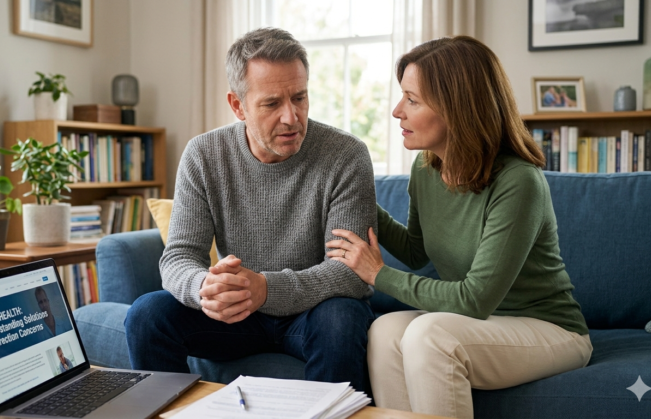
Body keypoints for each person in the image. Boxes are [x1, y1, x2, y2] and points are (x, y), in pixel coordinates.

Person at [326, 36, 592, 419]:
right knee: (384, 332)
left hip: (549, 329)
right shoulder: (426, 168)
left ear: (458, 109)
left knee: (430, 335)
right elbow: (418, 251)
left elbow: (474, 300)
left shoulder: (519, 182)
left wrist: (378, 274)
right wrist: (358, 199)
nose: (396, 111)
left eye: (412, 100)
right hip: (482, 324)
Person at [124, 27, 377, 393]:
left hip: (313, 313)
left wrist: (266, 289)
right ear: (237, 105)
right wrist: (204, 287)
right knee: (147, 315)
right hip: (237, 314)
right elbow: (179, 257)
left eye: (300, 98)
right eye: (272, 103)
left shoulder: (346, 155)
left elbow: (350, 273)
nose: (291, 117)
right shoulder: (203, 155)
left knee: (342, 318)